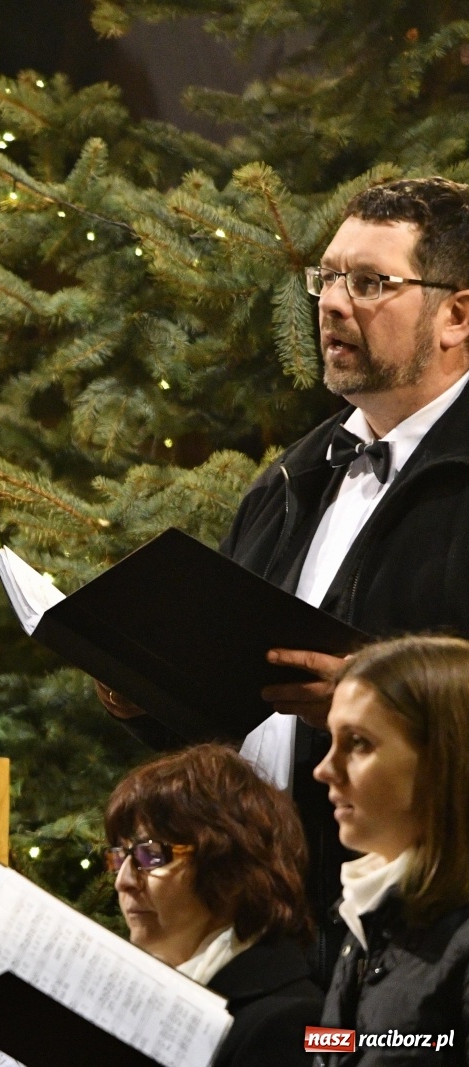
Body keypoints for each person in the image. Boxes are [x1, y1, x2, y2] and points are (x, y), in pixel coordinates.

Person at [102, 176, 469, 976]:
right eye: (329, 277)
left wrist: (378, 702)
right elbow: (241, 708)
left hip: (423, 940)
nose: (334, 304)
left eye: (370, 283)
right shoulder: (291, 480)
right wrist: (152, 689)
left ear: (457, 314)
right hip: (272, 926)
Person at [105, 745, 324, 1066]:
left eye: (149, 856)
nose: (122, 881)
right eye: (119, 858)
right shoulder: (138, 1000)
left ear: (232, 867)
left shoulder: (292, 1022)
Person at [313, 635, 469, 1065]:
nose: (323, 769)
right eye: (330, 740)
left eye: (358, 742)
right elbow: (335, 1046)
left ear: (445, 759)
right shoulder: (365, 918)